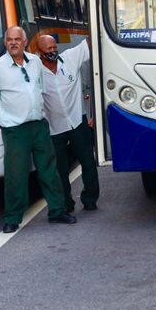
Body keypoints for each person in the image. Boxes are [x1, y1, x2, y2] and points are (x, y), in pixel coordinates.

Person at [0, 26, 76, 233]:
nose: (13, 42)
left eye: (18, 39)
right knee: (15, 175)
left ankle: (57, 211)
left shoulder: (35, 62)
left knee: (49, 171)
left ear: (25, 42)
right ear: (5, 43)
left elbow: (40, 90)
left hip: (39, 126)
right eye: (10, 39)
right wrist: (11, 118)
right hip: (15, 131)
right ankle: (12, 217)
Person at [37, 34, 100, 212]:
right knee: (60, 170)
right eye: (48, 49)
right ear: (39, 52)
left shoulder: (70, 57)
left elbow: (89, 41)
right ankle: (66, 204)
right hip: (54, 127)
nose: (53, 51)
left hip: (77, 121)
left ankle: (90, 199)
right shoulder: (36, 71)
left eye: (54, 47)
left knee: (88, 162)